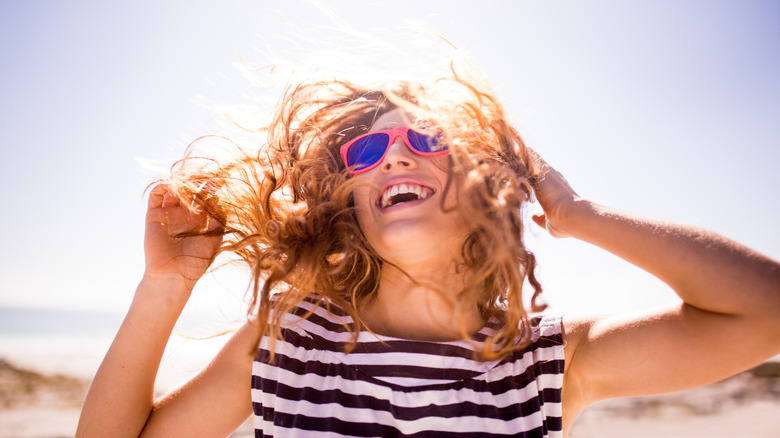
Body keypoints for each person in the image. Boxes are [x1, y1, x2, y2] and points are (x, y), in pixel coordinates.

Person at [77, 65, 780, 438]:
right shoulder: (290, 341)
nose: (392, 157)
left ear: (485, 188)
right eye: (368, 149)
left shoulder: (546, 365)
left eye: (427, 141)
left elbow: (765, 309)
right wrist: (165, 286)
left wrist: (578, 216)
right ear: (350, 204)